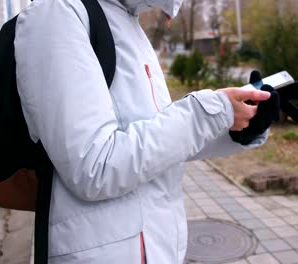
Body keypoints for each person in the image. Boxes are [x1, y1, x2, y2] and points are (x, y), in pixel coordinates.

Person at [15, 0, 272, 263]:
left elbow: (155, 143)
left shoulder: (127, 23)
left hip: (159, 244)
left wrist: (241, 126)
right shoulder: (59, 14)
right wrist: (208, 112)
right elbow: (95, 166)